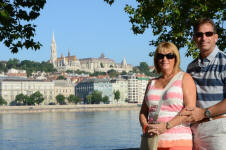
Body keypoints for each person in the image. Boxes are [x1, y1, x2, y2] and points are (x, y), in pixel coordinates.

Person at [139, 42, 196, 150]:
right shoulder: (151, 82)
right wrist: (145, 126)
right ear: (156, 59)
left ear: (176, 58)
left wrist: (166, 126)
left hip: (178, 141)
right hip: (152, 143)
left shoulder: (185, 78)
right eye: (160, 56)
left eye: (169, 56)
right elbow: (143, 111)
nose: (164, 59)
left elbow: (190, 109)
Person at [180, 18, 226, 150]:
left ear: (216, 37)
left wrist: (204, 113)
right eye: (199, 34)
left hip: (218, 128)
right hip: (195, 130)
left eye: (208, 34)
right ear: (194, 38)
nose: (203, 37)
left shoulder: (224, 62)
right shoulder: (191, 67)